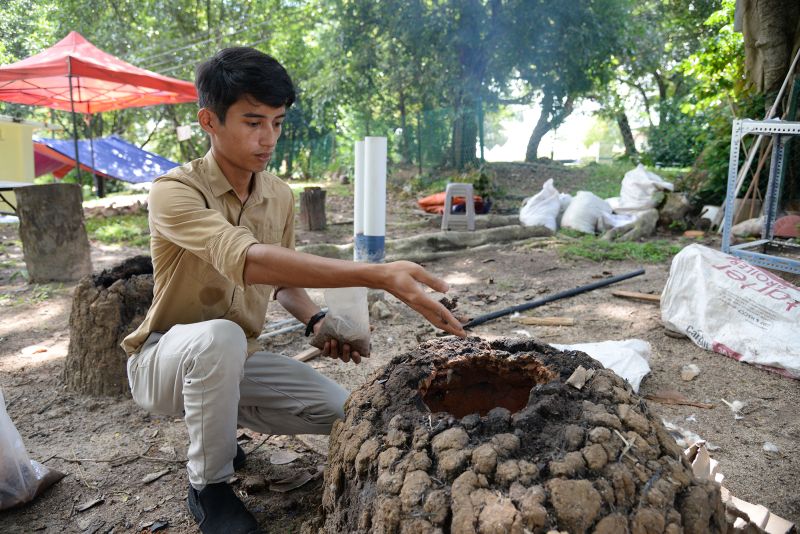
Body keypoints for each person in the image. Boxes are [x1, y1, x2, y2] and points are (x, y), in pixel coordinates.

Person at [121, 47, 465, 534]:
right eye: (253, 122)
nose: (268, 139)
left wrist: (317, 321)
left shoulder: (278, 194)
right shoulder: (175, 192)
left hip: (237, 361)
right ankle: (209, 487)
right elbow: (247, 258)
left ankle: (216, 429)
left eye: (278, 123)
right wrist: (378, 275)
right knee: (219, 337)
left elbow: (284, 284)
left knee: (346, 411)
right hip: (164, 365)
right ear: (209, 121)